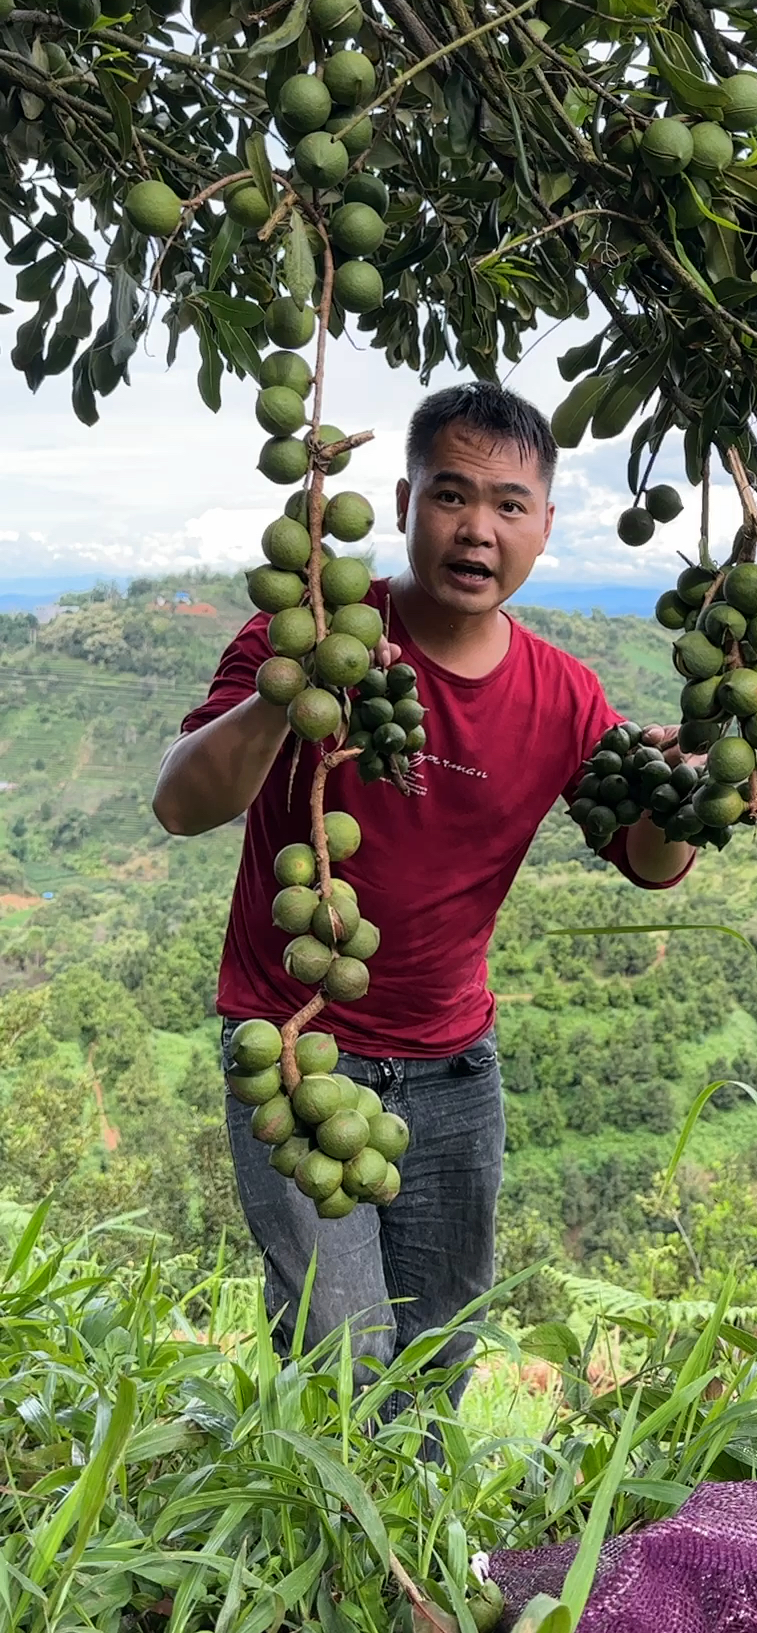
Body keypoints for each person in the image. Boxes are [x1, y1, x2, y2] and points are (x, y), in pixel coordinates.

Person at [153, 381, 695, 1405]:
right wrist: (292, 679)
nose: (476, 529)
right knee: (339, 1365)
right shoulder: (312, 634)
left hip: (453, 1074)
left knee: (436, 1363)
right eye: (451, 496)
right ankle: (331, 1558)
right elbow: (183, 804)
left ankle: (416, 1562)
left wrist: (689, 781)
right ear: (402, 502)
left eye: (508, 505)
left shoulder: (564, 694)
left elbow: (653, 859)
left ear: (544, 528)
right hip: (296, 1044)